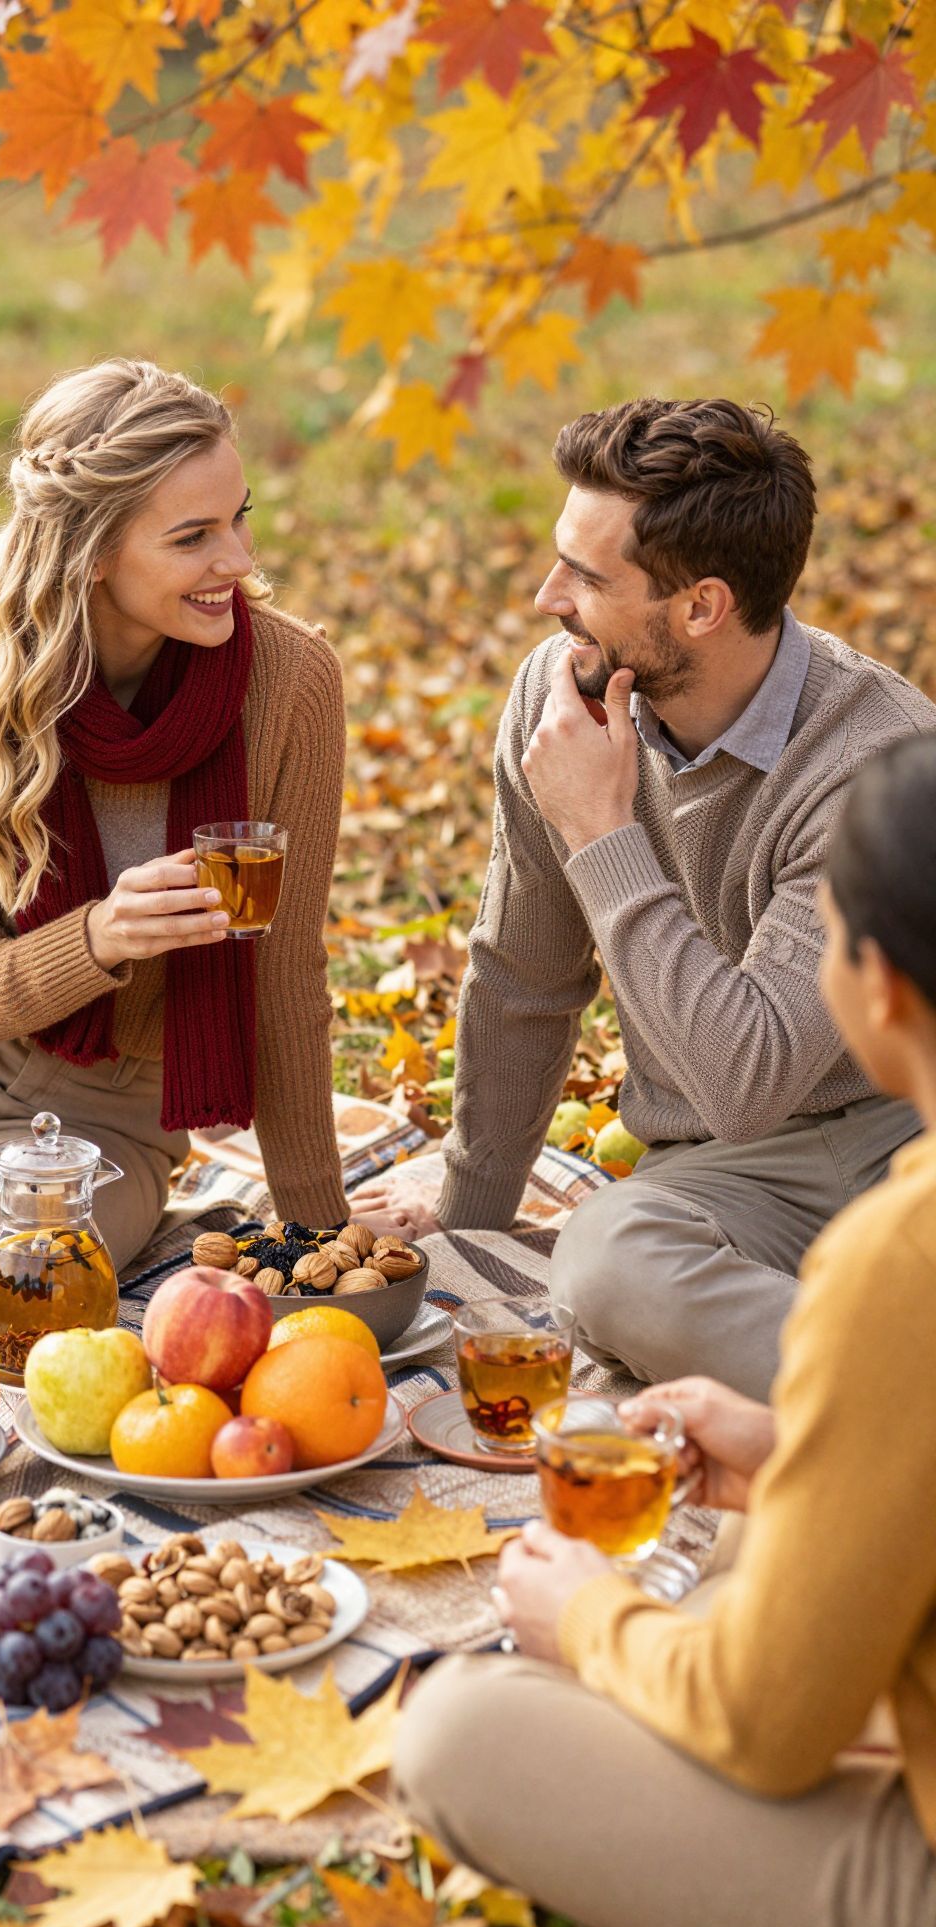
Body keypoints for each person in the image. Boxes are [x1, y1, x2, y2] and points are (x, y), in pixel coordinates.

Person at [394, 732, 936, 1927]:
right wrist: (807, 1447)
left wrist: (589, 1618)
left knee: (459, 1727)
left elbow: (767, 1725)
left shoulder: (899, 1260)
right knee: (742, 1555)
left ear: (877, 985)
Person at [355, 397, 934, 1396]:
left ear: (702, 606)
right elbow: (523, 976)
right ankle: (882, 1383)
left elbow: (748, 1080)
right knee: (607, 1262)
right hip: (727, 1176)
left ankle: (877, 1403)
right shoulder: (562, 698)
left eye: (586, 576)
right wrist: (468, 1224)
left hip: (909, 1136)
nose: (548, 597)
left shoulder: (871, 756)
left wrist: (601, 831)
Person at [0, 359, 348, 1330]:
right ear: (90, 552)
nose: (239, 559)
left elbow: (285, 974)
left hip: (112, 1109)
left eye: (240, 518)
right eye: (194, 537)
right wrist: (101, 937)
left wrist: (318, 1234)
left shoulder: (290, 682)